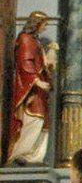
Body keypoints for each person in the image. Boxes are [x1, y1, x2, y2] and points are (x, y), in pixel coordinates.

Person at [7, 11, 54, 166]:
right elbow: (25, 62)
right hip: (31, 88)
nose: (45, 28)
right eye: (44, 25)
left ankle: (35, 157)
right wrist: (36, 81)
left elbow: (39, 62)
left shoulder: (35, 41)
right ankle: (21, 153)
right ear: (36, 24)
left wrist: (49, 62)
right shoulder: (25, 39)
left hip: (40, 89)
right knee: (34, 118)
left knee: (43, 121)